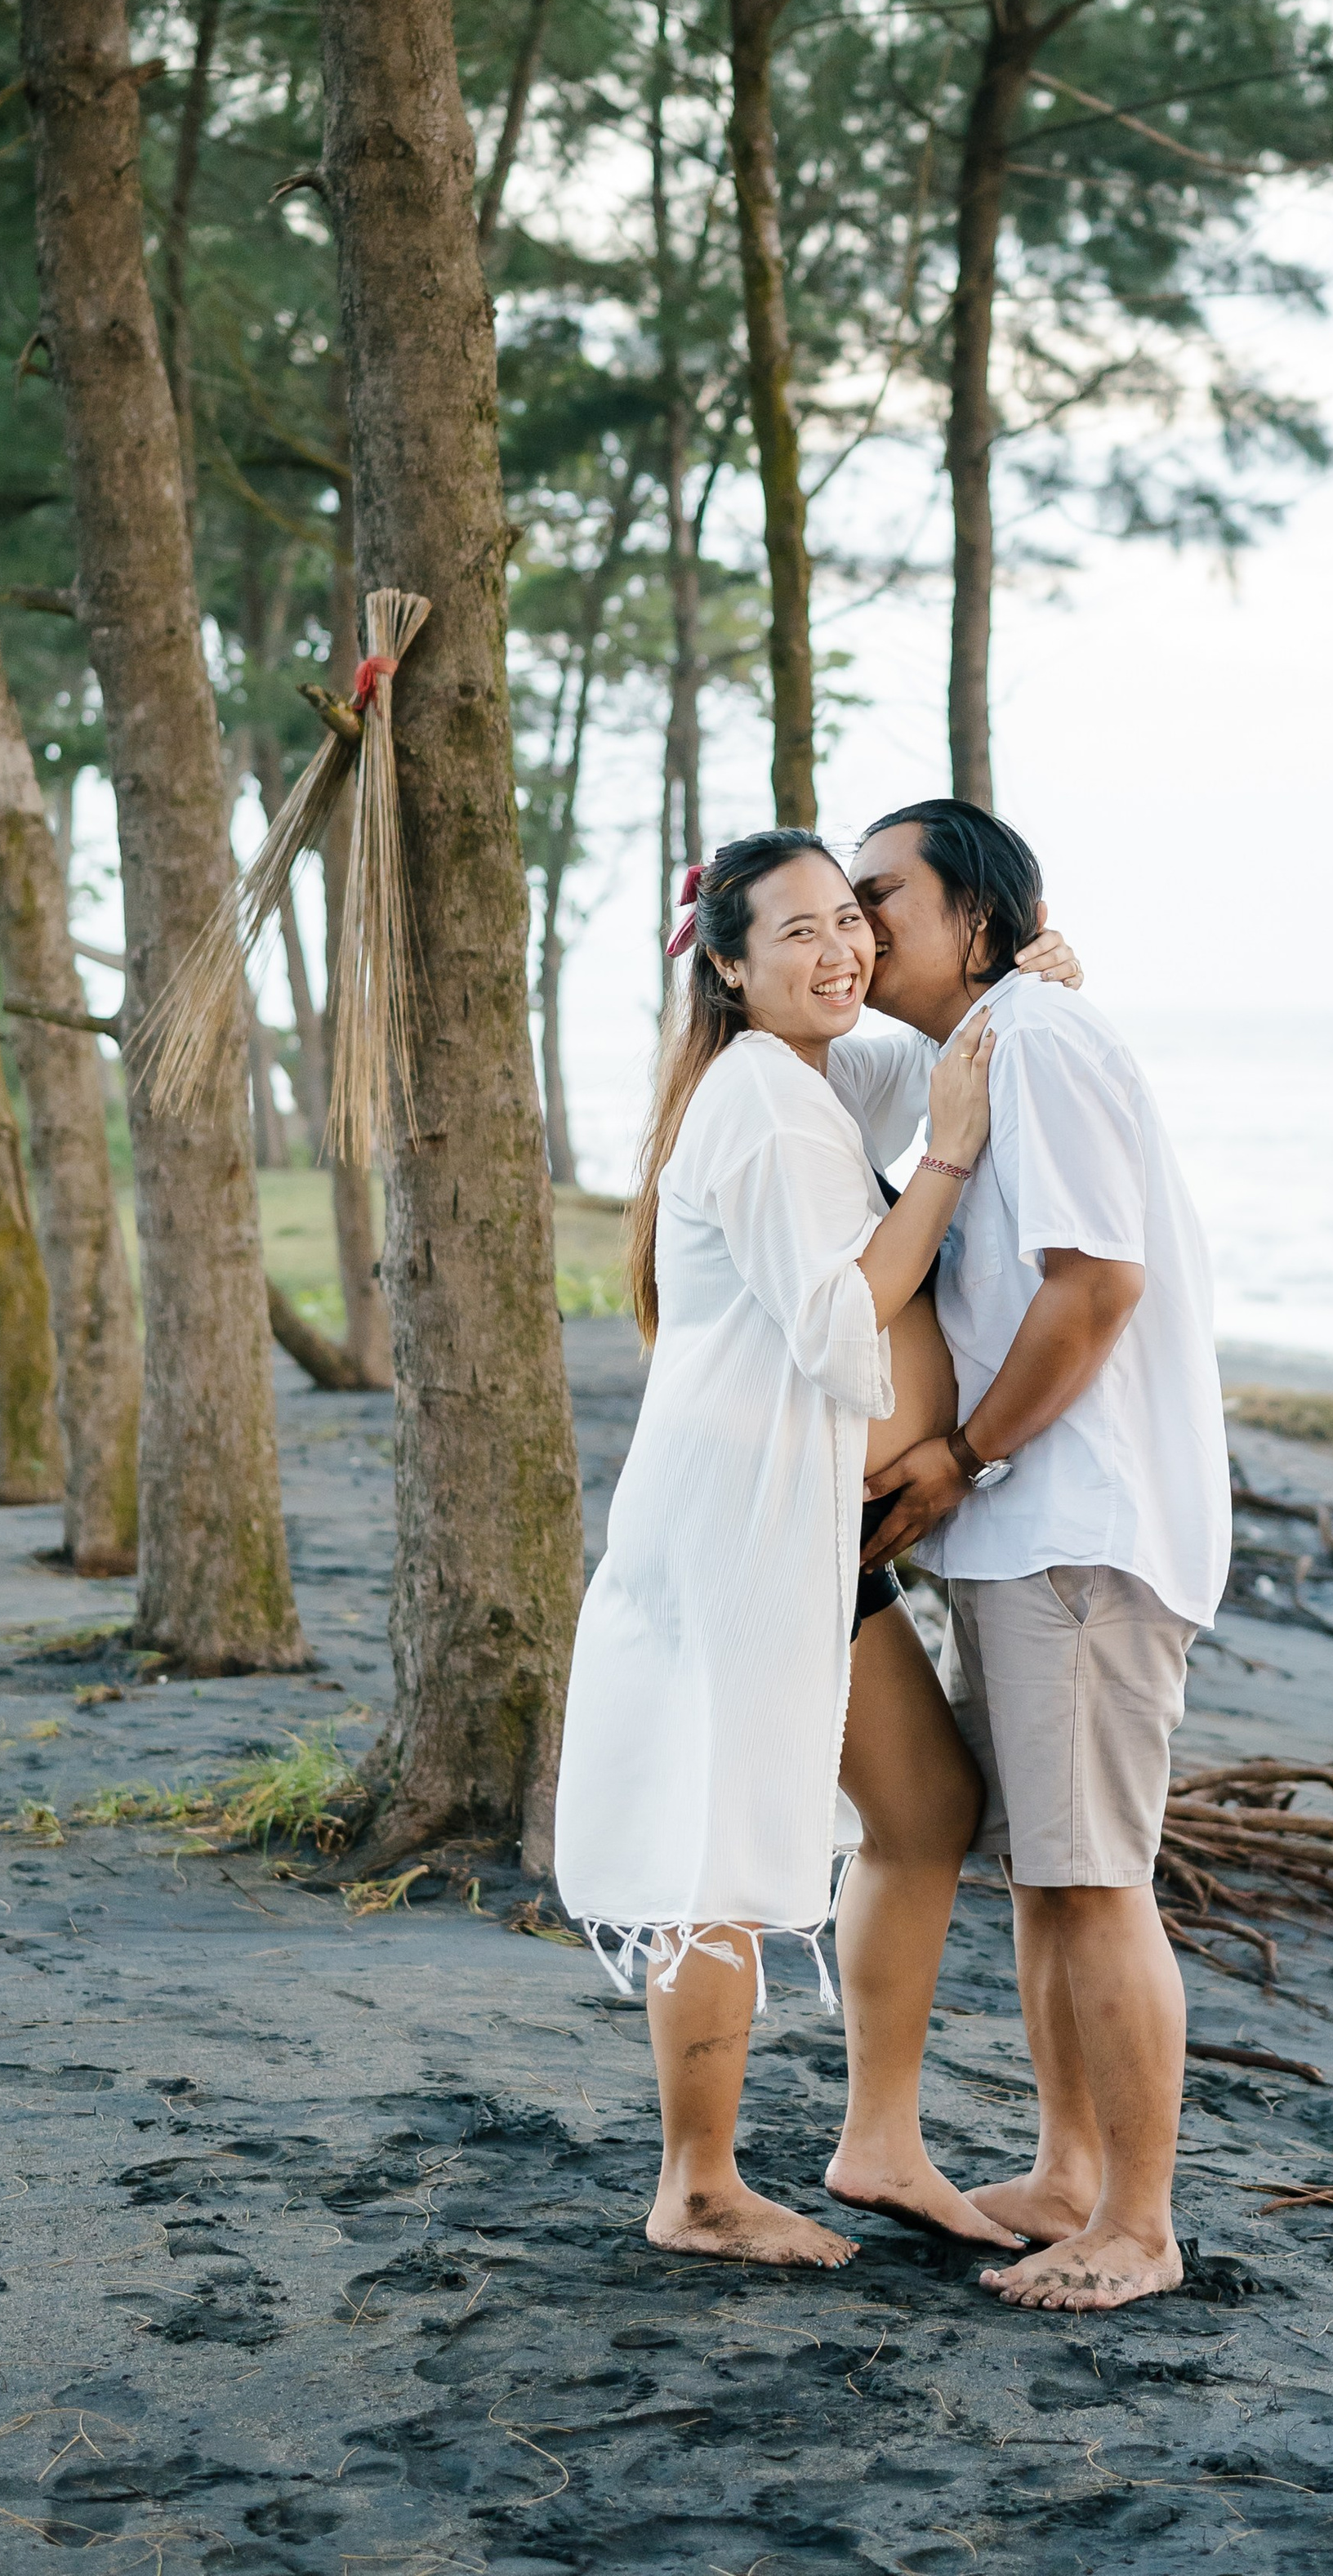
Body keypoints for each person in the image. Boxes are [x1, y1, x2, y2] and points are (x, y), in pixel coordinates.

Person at [551, 827, 1078, 2267]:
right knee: (722, 1849)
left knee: (922, 1815)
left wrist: (1017, 972)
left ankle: (879, 2139)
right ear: (726, 964)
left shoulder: (810, 1076)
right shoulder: (767, 1108)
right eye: (798, 932)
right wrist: (953, 1167)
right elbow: (840, 1326)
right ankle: (701, 2189)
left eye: (852, 919)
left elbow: (935, 1047)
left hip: (806, 1534)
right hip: (746, 1535)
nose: (841, 950)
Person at [831, 799, 1232, 2314]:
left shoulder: (1039, 1041)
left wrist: (963, 1454)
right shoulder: (963, 1050)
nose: (860, 931)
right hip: (1026, 1531)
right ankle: (1070, 2174)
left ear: (981, 919)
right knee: (1048, 1877)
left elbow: (1097, 1285)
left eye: (884, 901)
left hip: (1080, 1522)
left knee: (1093, 1880)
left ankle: (1137, 2220)